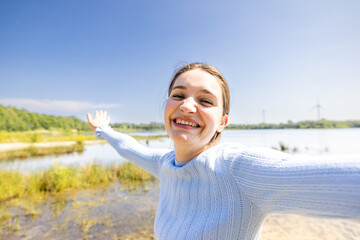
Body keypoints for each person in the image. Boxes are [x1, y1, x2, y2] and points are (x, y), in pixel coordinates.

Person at [87, 63, 360, 240]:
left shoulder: (239, 170)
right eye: (178, 95)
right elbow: (128, 147)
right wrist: (102, 130)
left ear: (222, 123)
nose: (187, 106)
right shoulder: (164, 163)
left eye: (205, 100)